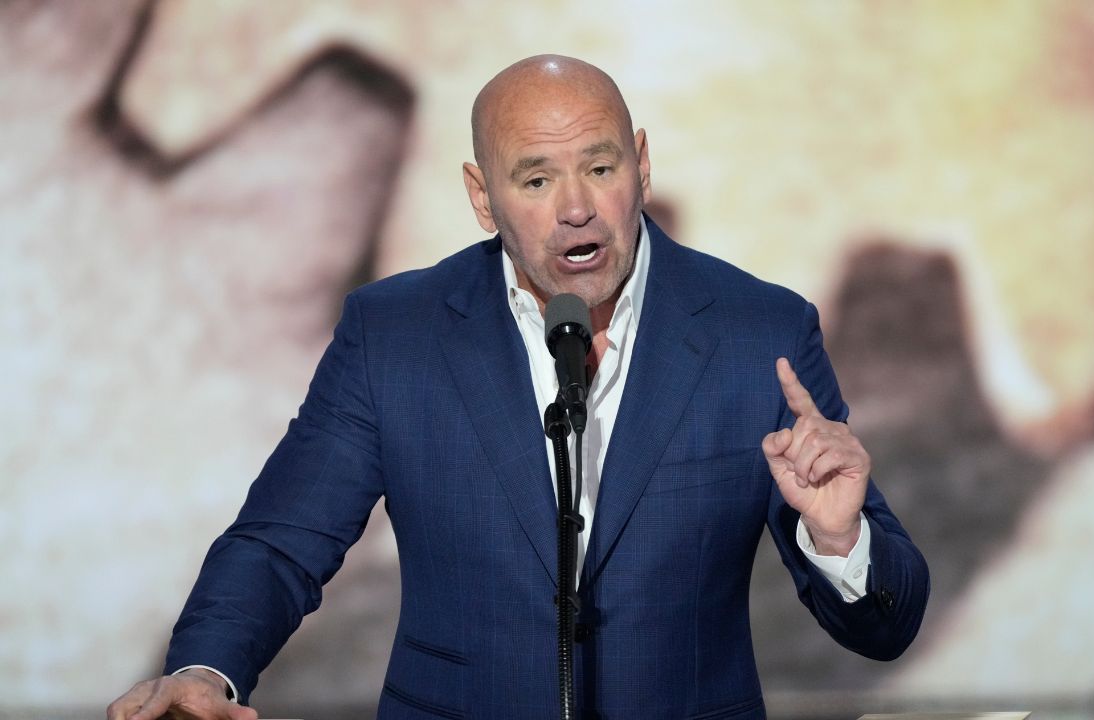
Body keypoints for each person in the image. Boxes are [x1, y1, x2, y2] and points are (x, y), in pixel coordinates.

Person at [107, 55, 928, 720]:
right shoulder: (395, 335)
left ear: (640, 164)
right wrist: (207, 669)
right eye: (535, 180)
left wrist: (840, 540)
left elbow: (888, 626)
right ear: (482, 197)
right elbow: (282, 540)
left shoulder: (760, 334)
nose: (576, 208)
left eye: (600, 167)